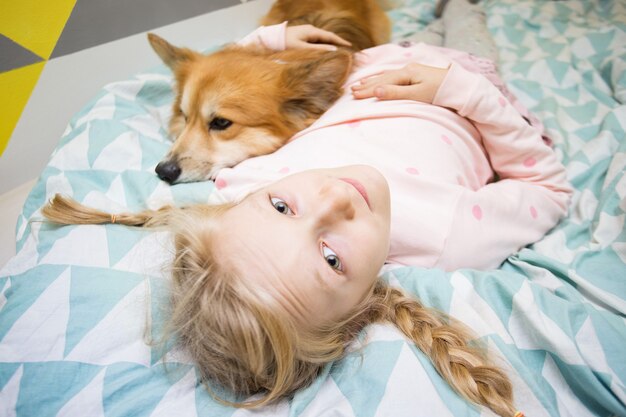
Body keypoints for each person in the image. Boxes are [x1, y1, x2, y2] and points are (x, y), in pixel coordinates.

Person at [42, 1, 571, 416]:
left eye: (281, 207)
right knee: (464, 23)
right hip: (462, 81)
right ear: (361, 309)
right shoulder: (451, 237)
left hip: (373, 63)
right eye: (332, 259)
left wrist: (269, 40)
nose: (334, 196)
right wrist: (465, 92)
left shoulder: (248, 179)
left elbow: (228, 80)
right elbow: (548, 189)